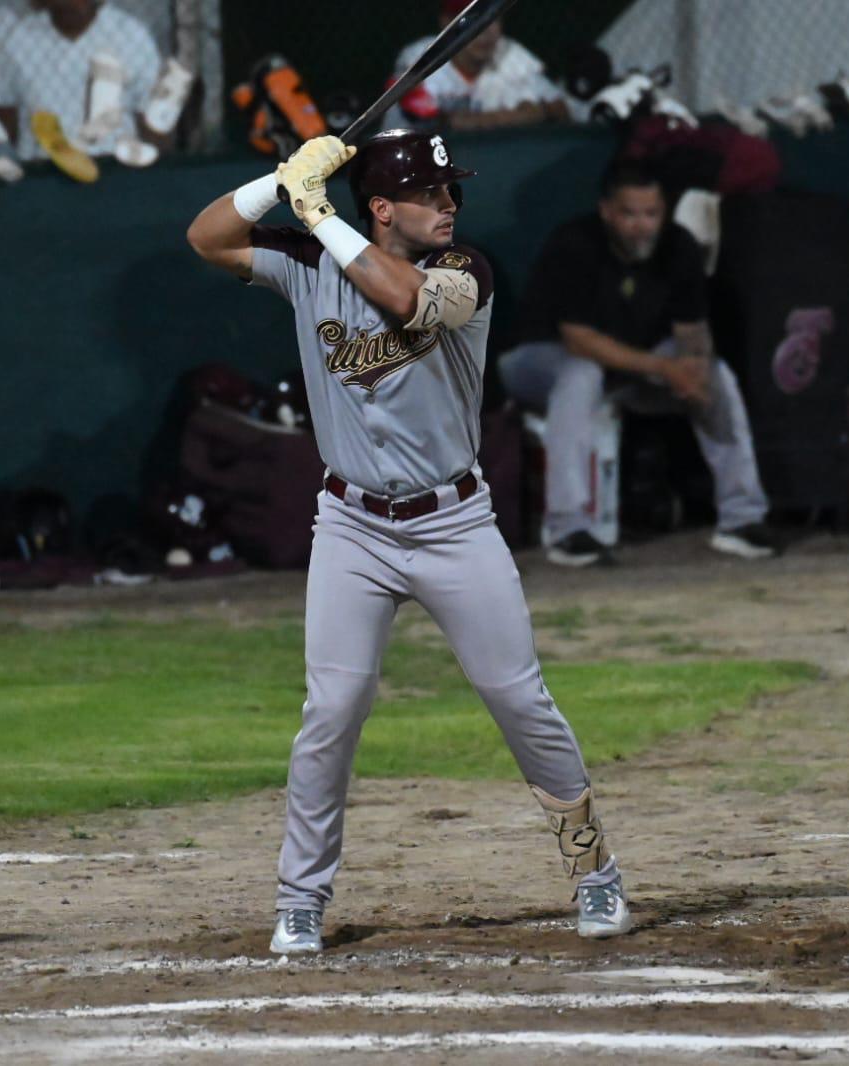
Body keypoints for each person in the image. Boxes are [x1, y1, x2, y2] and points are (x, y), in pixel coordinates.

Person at [187, 128, 635, 953]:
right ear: (383, 206)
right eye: (430, 194)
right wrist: (278, 182)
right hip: (351, 527)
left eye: (450, 192)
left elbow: (410, 304)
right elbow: (206, 236)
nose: (449, 205)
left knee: (517, 698)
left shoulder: (466, 271)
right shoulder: (308, 261)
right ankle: (299, 898)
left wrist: (317, 211)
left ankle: (594, 871)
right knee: (332, 709)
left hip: (454, 523)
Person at [497, 158, 777, 566]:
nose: (641, 225)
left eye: (651, 214)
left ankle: (742, 518)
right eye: (630, 213)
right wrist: (665, 369)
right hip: (535, 363)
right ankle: (568, 528)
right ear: (607, 210)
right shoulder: (575, 243)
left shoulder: (678, 245)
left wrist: (694, 367)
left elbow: (691, 329)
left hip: (630, 367)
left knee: (718, 376)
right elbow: (580, 340)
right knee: (582, 373)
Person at [0, 0, 164, 166]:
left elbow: (154, 125)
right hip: (40, 171)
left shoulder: (131, 35)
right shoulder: (16, 36)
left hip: (115, 169)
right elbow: (4, 121)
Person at [384, 0, 569, 132]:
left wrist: (478, 121)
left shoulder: (511, 55)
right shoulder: (420, 56)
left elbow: (561, 108)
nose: (485, 32)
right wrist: (522, 116)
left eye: (492, 19)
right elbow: (426, 118)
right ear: (446, 22)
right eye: (473, 20)